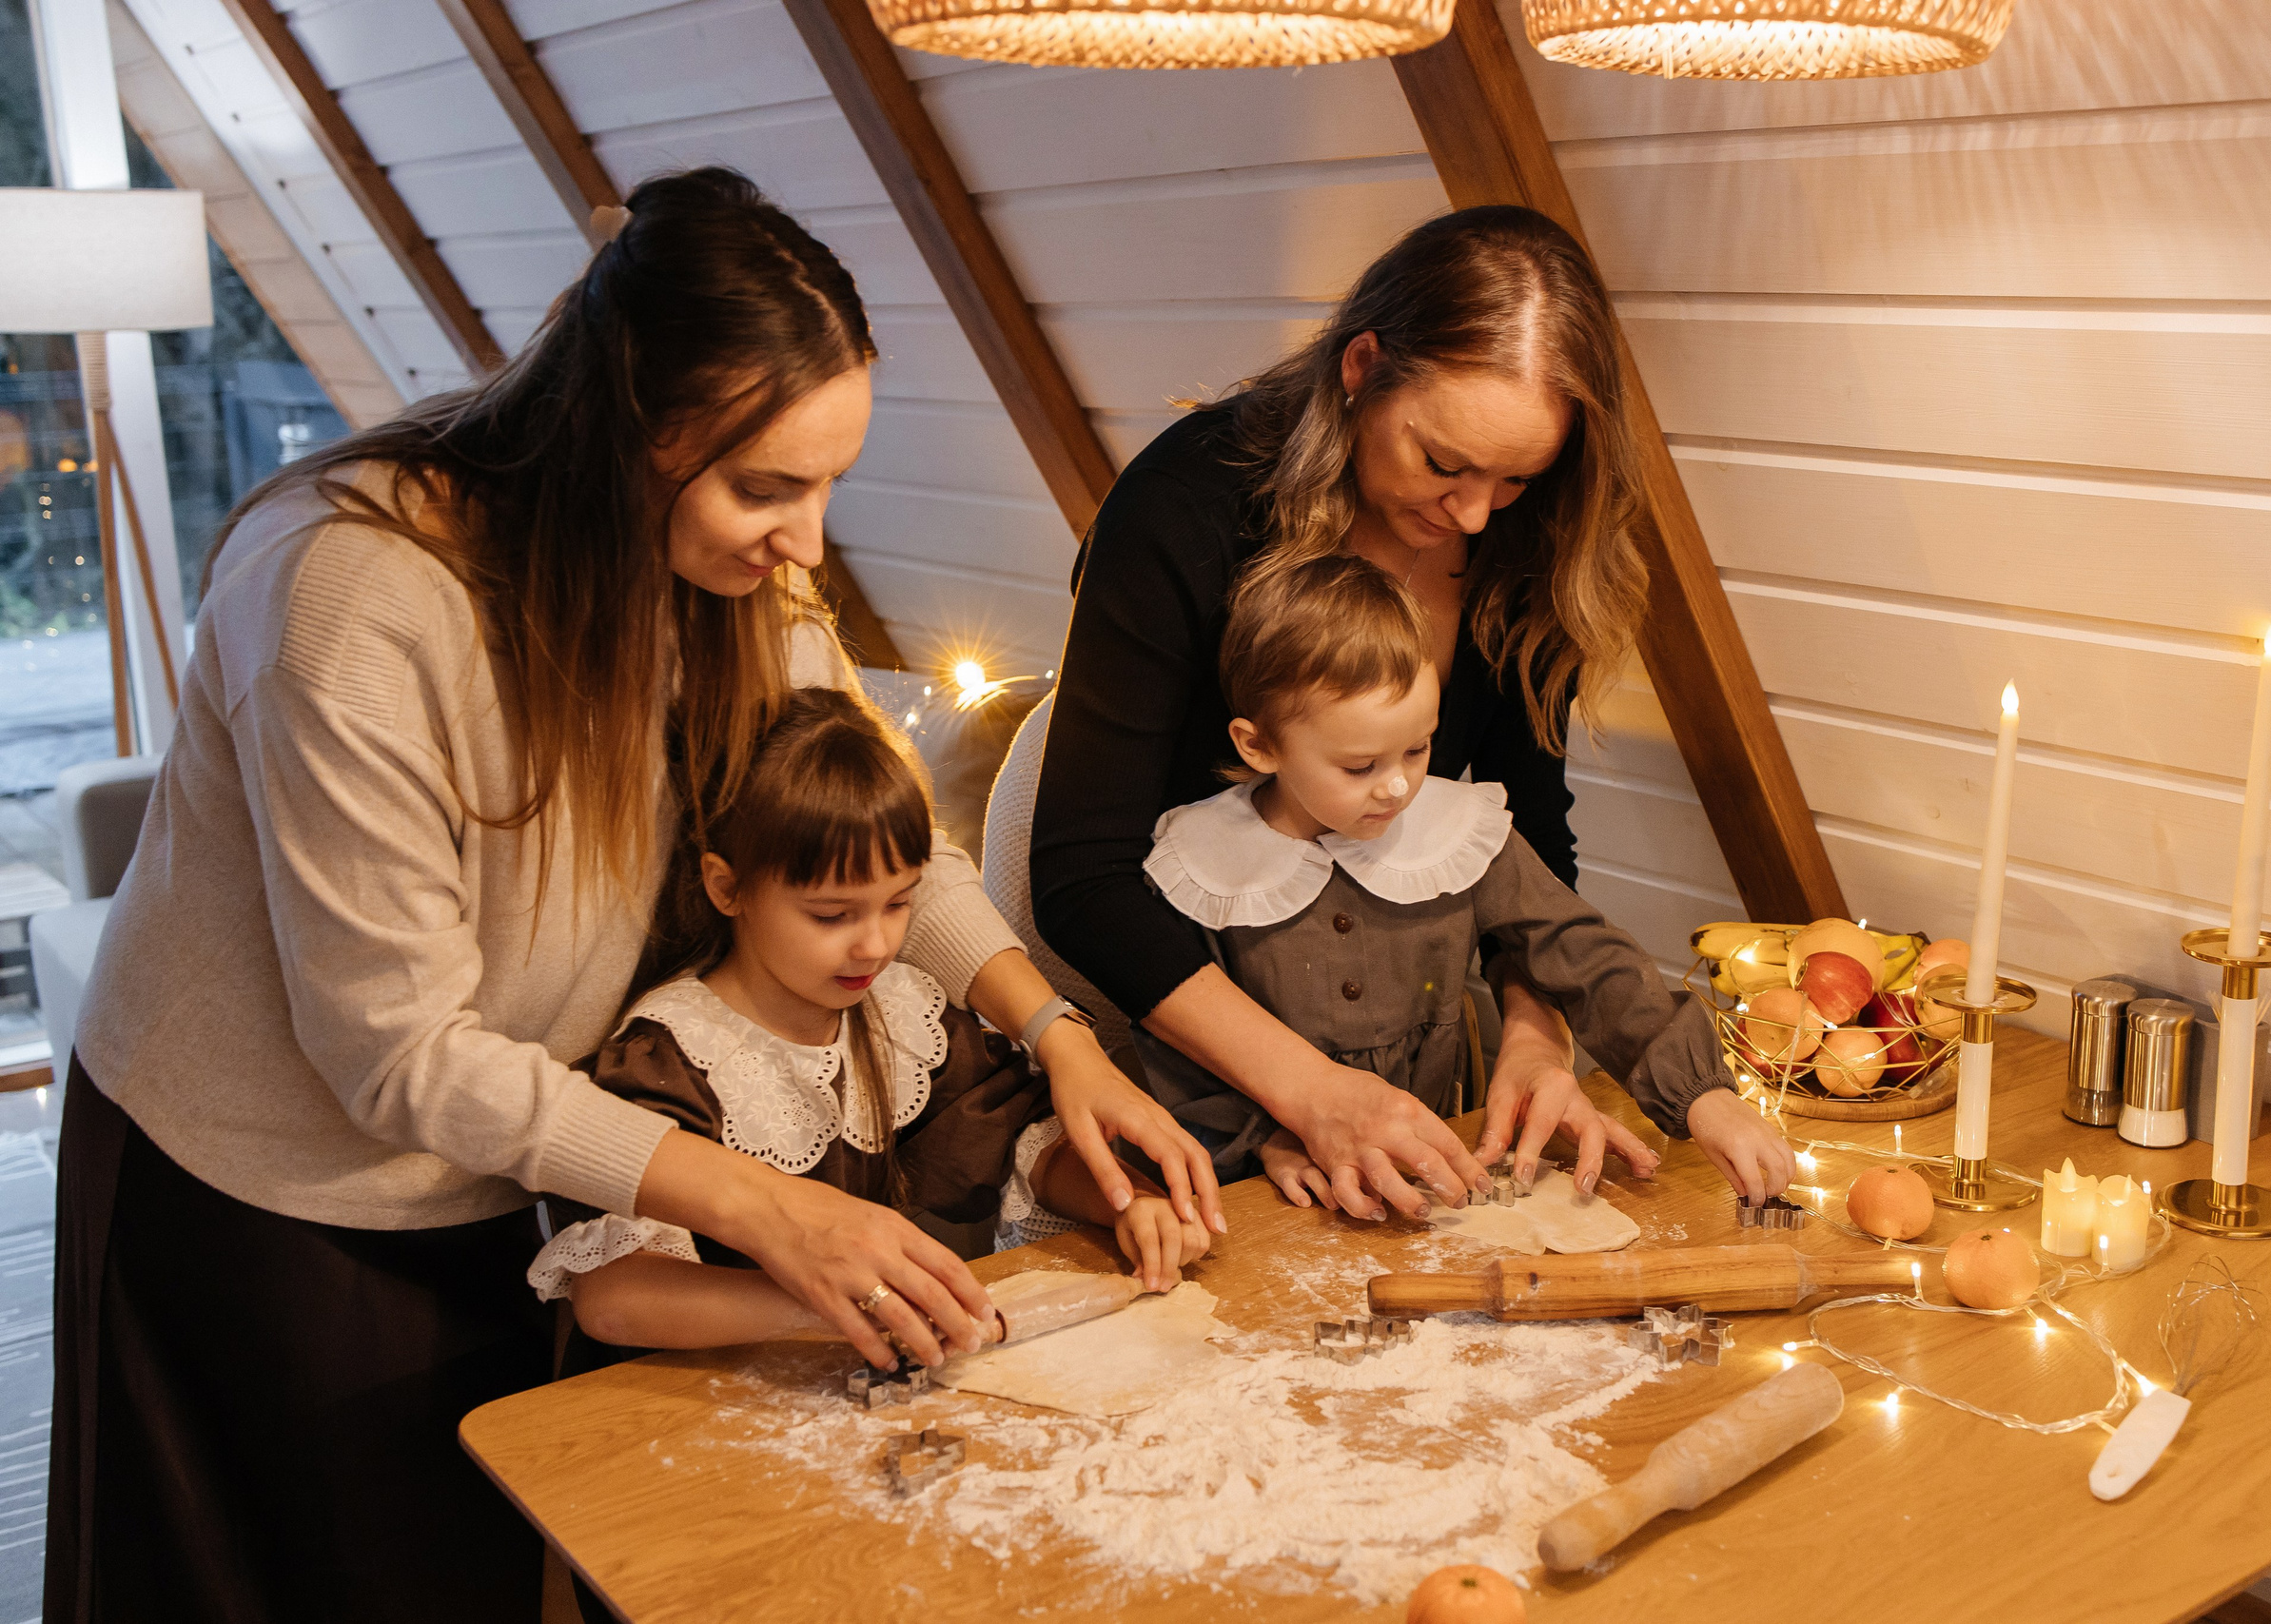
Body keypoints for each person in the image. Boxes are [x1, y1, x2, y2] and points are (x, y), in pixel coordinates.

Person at [48, 166, 1217, 1624]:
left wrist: (1059, 1037)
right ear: (619, 436)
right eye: (766, 486)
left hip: (516, 1157)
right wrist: (769, 1207)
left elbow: (897, 857)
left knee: (477, 1555)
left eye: (831, 480)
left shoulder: (726, 582)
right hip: (257, 1197)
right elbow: (393, 1053)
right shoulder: (352, 595)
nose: (806, 539)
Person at [1030, 204, 1795, 1220]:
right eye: (1442, 464)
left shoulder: (1523, 552)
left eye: (1516, 478)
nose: (1473, 515)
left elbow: (1525, 842)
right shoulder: (1187, 508)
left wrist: (1535, 1038)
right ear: (1359, 371)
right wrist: (1297, 1099)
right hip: (1188, 1064)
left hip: (1399, 1094)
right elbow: (1085, 878)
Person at [533, 687, 1209, 1379]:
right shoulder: (666, 1057)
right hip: (674, 1409)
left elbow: (1020, 1139)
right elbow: (616, 1299)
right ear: (725, 886)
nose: (875, 945)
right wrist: (851, 1306)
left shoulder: (901, 1019)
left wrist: (1130, 1201)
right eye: (831, 915)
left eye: (899, 903)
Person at [1137, 553, 1786, 1208]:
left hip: (1431, 1176)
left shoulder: (1460, 832)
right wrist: (1264, 1136)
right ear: (1259, 747)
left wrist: (1703, 1094)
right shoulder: (1199, 862)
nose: (1396, 786)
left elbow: (1589, 958)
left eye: (1418, 748)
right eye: (1360, 764)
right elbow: (1178, 1044)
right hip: (1265, 1192)